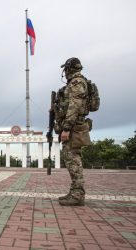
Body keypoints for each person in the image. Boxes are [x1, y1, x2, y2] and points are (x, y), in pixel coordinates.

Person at [54, 57, 92, 206]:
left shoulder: (77, 82)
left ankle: (77, 195)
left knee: (73, 159)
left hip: (74, 127)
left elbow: (74, 106)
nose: (65, 72)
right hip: (75, 125)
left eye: (66, 69)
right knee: (71, 158)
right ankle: (75, 191)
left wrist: (66, 128)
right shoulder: (78, 82)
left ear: (69, 69)